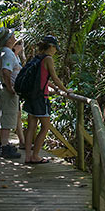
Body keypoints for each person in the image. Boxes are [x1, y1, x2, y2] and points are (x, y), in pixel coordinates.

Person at [23, 35, 72, 164]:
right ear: (50, 46)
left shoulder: (37, 57)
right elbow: (55, 78)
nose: (56, 51)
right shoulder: (48, 59)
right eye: (55, 47)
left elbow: (42, 78)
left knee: (31, 127)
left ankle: (28, 156)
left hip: (31, 96)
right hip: (40, 97)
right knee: (45, 127)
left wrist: (54, 87)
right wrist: (66, 90)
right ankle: (35, 156)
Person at [0, 27, 21, 159]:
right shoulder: (7, 52)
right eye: (12, 36)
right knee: (7, 117)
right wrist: (10, 87)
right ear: (8, 40)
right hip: (7, 91)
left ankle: (4, 144)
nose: (14, 38)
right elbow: (6, 71)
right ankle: (5, 147)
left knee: (2, 117)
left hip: (0, 88)